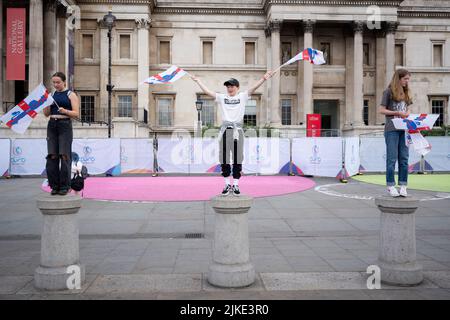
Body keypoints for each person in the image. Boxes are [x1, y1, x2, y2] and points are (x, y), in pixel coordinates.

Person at [191, 71, 273, 195]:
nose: (229, 88)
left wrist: (264, 78)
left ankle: (235, 185)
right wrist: (198, 81)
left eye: (232, 86)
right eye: (228, 86)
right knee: (224, 158)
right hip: (225, 130)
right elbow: (208, 92)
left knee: (237, 158)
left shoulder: (242, 96)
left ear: (237, 87)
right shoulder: (222, 98)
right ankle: (226, 184)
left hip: (237, 131)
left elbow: (253, 88)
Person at [43, 72, 80, 195]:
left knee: (64, 155)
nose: (56, 84)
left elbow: (76, 113)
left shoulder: (71, 94)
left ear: (64, 82)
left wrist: (65, 111)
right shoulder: (51, 95)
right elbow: (46, 114)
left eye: (58, 82)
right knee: (52, 156)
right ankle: (54, 186)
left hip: (65, 125)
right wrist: (47, 105)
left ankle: (65, 186)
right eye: (54, 82)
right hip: (52, 125)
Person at [379, 69, 413, 197]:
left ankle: (403, 185)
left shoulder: (406, 92)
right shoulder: (388, 92)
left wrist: (407, 113)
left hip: (404, 130)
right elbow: (381, 110)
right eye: (405, 79)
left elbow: (408, 108)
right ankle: (390, 185)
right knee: (392, 159)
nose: (407, 81)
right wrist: (397, 113)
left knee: (404, 158)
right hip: (391, 130)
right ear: (398, 79)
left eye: (408, 79)